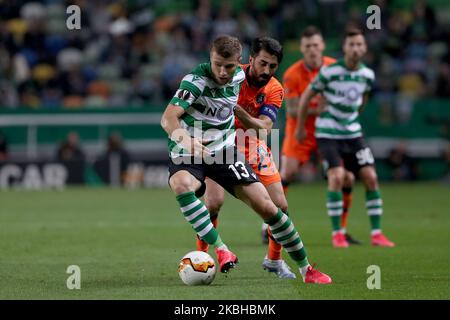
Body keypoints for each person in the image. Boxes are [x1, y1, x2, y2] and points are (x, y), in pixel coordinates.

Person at [160, 35, 332, 283]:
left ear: (238, 63)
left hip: (226, 152)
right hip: (189, 152)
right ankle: (221, 249)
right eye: (217, 63)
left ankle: (306, 270)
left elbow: (263, 127)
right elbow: (168, 118)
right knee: (183, 186)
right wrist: (187, 141)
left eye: (228, 66)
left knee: (271, 208)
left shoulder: (241, 79)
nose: (222, 71)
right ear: (211, 57)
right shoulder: (195, 81)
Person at [195, 37, 295, 278]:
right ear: (250, 60)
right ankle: (202, 256)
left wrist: (239, 112)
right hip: (222, 144)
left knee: (280, 206)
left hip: (252, 143)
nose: (267, 70)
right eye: (262, 63)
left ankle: (274, 260)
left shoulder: (275, 89)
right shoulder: (229, 73)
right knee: (213, 203)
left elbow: (264, 128)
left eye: (272, 66)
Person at [295, 27, 395, 248]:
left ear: (365, 48)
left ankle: (377, 233)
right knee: (337, 177)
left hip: (353, 134)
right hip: (328, 134)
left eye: (360, 44)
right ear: (345, 48)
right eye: (352, 45)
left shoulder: (367, 75)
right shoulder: (330, 72)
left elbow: (363, 98)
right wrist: (301, 127)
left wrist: (353, 117)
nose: (356, 49)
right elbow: (306, 98)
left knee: (370, 176)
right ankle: (337, 234)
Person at [280, 26, 360, 245]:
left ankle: (341, 230)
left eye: (316, 45)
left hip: (330, 131)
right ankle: (270, 225)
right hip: (301, 131)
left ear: (322, 46)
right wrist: (319, 107)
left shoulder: (336, 68)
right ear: (302, 49)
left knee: (347, 177)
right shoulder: (292, 74)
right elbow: (293, 111)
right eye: (308, 46)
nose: (312, 50)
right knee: (285, 173)